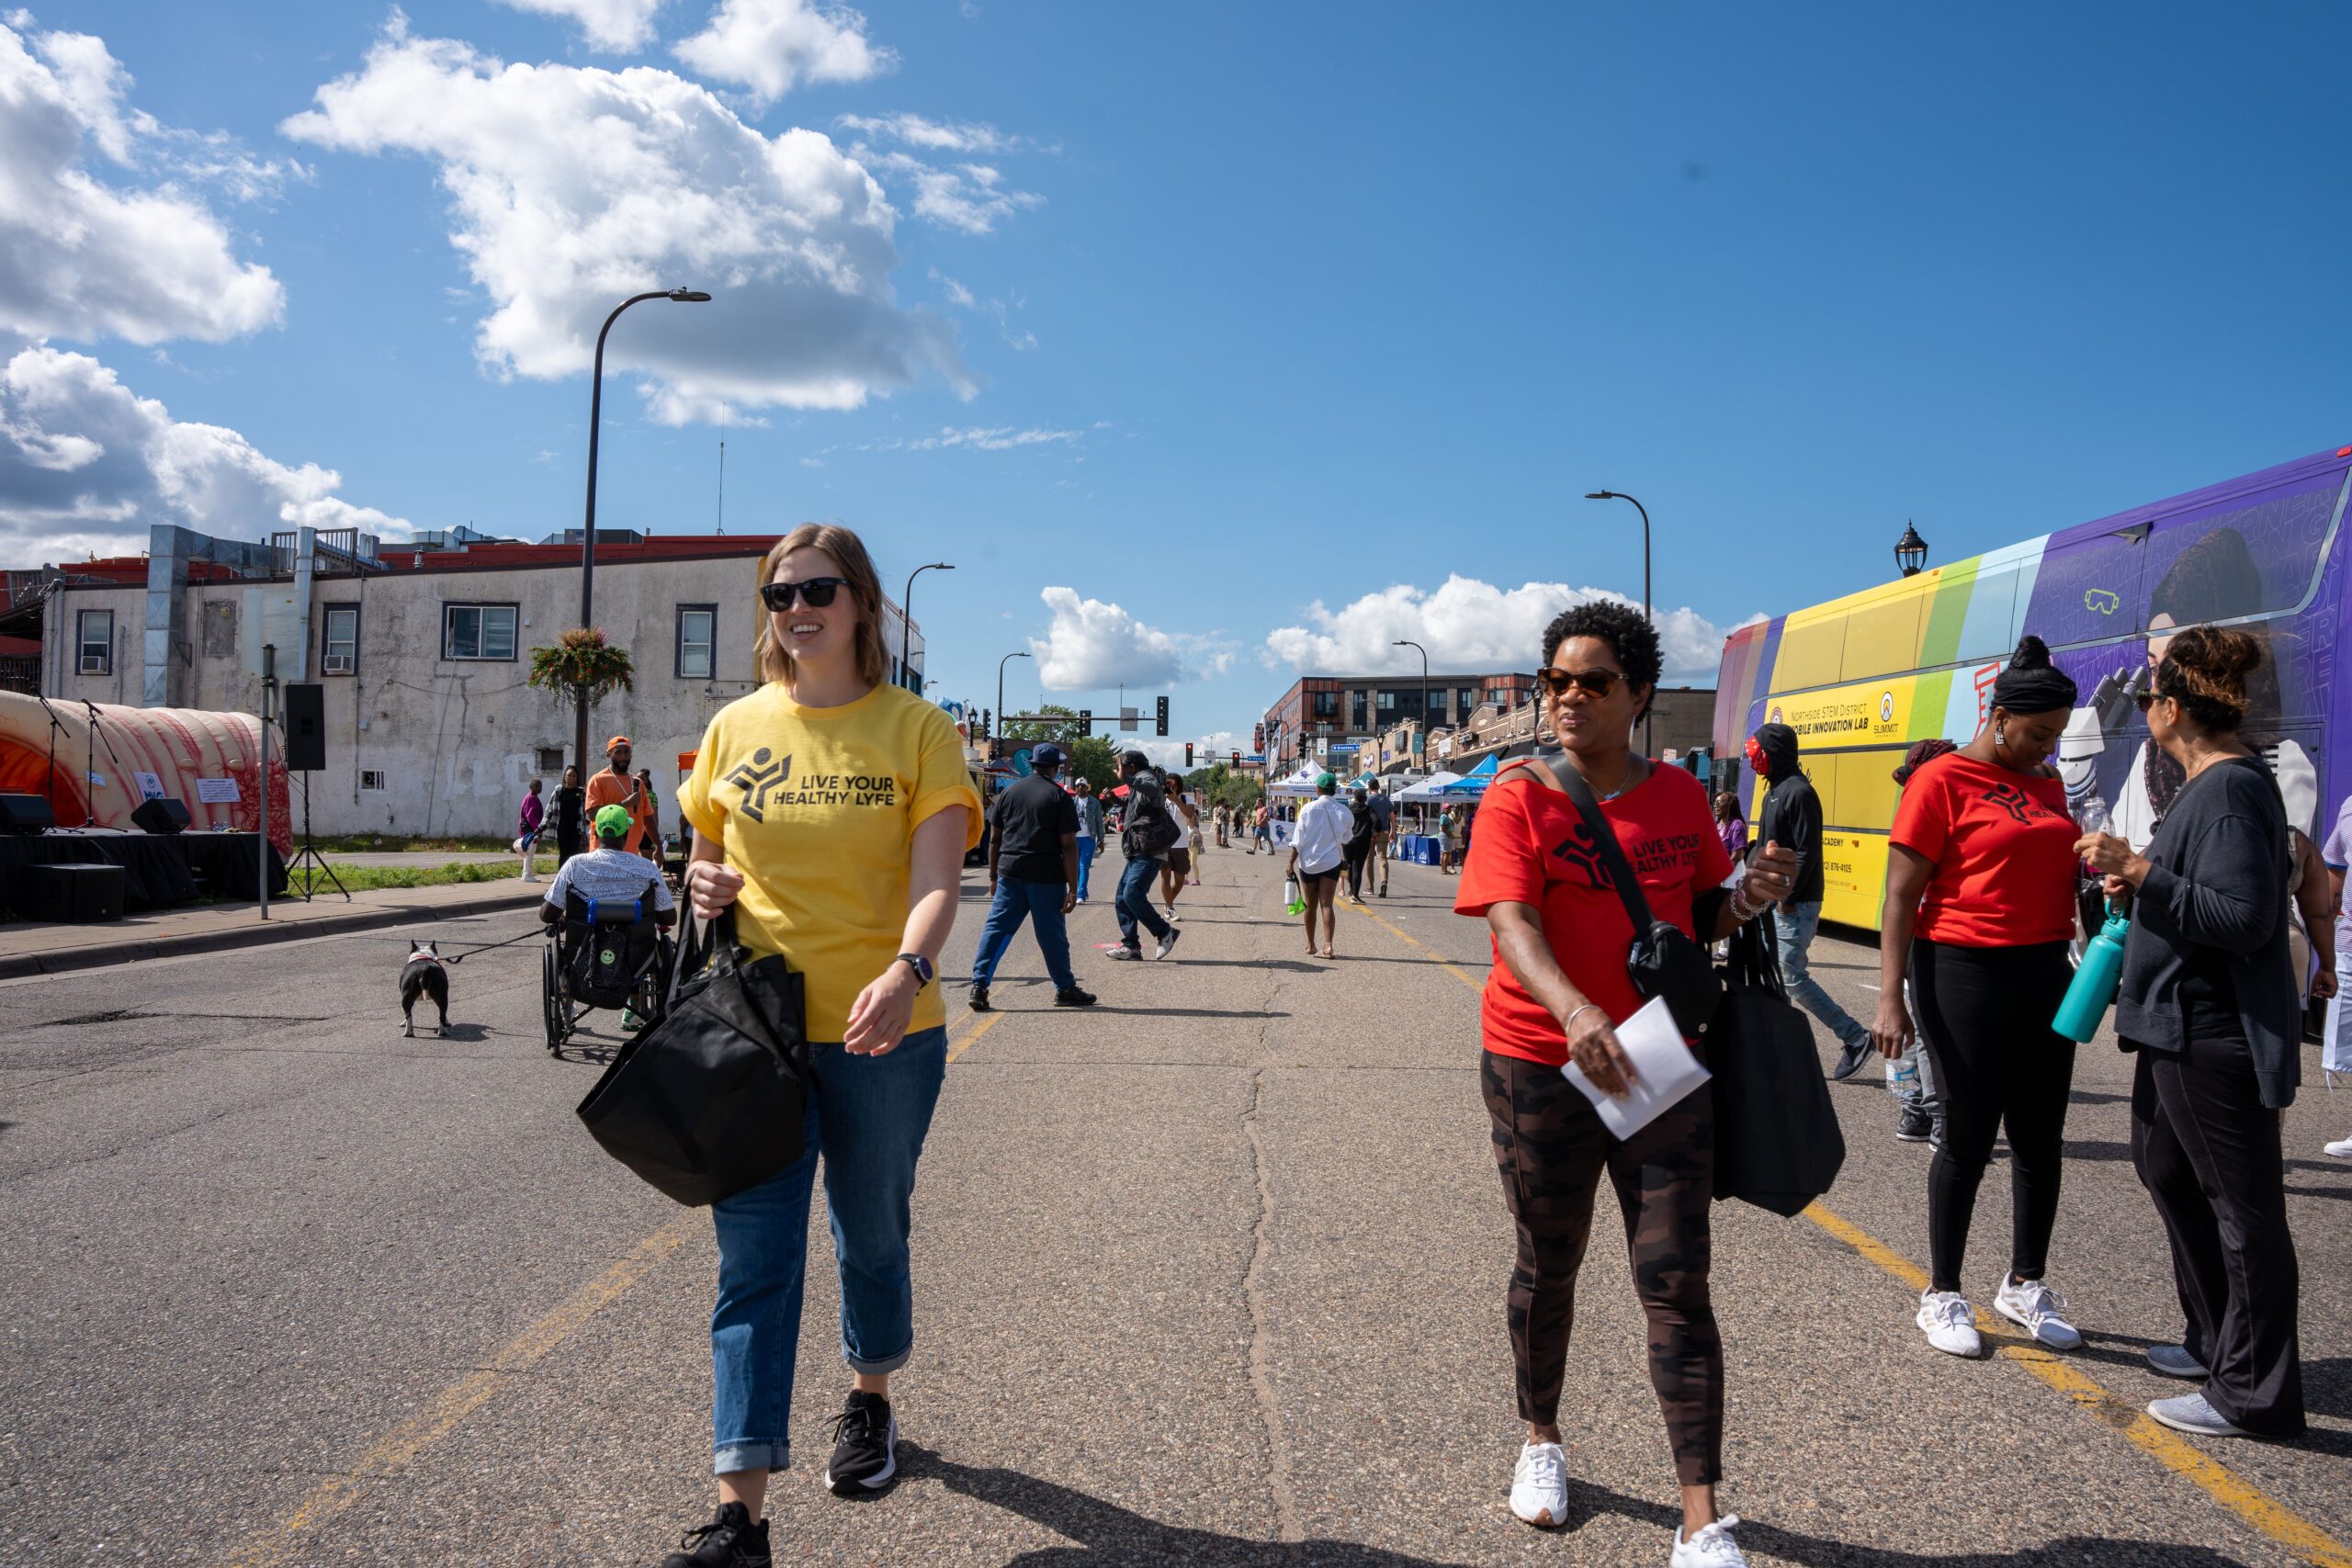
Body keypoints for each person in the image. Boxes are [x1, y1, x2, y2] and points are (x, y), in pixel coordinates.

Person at [662, 522, 979, 1568]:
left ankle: (870, 1395)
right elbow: (704, 873)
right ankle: (739, 1517)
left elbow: (939, 882)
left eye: (818, 591)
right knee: (753, 1264)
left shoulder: (917, 732)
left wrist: (908, 972)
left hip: (884, 1031)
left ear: (862, 605)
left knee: (868, 1233)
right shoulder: (732, 728)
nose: (797, 609)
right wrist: (699, 886)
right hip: (755, 1035)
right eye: (778, 594)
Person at [1455, 601, 1797, 1567]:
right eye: (1555, 681)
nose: (1568, 697)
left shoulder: (1682, 800)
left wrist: (1747, 898)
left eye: (1591, 682)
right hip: (1538, 1056)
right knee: (1546, 1260)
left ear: (1638, 694)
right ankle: (1541, 1440)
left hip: (1652, 1058)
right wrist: (1572, 1012)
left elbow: (1698, 915)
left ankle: (1701, 1514)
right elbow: (1510, 922)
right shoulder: (1519, 794)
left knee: (1676, 1277)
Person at [2079, 626, 2307, 1439]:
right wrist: (2143, 874)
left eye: (2149, 699)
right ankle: (2216, 1343)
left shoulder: (2231, 789)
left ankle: (2255, 1393)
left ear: (2172, 709)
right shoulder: (2212, 787)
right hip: (2180, 1024)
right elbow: (2203, 890)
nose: (2143, 711)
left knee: (2243, 1210)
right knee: (2165, 1166)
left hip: (2212, 1032)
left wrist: (2142, 872)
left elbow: (2245, 919)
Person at [1870, 637, 2086, 1360]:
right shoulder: (1941, 780)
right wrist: (1890, 999)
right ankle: (1942, 1291)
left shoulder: (2048, 784)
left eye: (2056, 736)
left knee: (2039, 1134)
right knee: (1967, 1134)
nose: (2046, 748)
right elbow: (1900, 897)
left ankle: (2026, 1280)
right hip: (1961, 967)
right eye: (2038, 733)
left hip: (2045, 969)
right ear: (1999, 716)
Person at [1748, 722, 1875, 1080]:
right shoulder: (1773, 791)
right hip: (1773, 901)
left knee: (1790, 976)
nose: (1754, 761)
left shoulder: (1799, 792)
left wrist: (1788, 895)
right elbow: (1762, 845)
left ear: (1772, 753)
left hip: (1795, 903)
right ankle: (1779, 1052)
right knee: (1775, 976)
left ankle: (1856, 1037)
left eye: (1758, 753)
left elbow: (1807, 851)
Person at [967, 744, 1096, 1013]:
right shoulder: (1059, 797)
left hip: (1010, 873)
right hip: (1046, 876)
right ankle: (1064, 988)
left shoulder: (1009, 793)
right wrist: (1074, 889)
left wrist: (993, 876)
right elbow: (1068, 845)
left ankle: (979, 986)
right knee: (1052, 936)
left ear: (1033, 764)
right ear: (1055, 768)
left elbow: (994, 839)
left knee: (997, 929)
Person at [1884, 739, 1959, 1145]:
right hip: (1931, 937)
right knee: (1931, 1035)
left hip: (1917, 936)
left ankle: (1913, 1110)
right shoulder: (1939, 807)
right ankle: (1936, 1115)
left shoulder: (1914, 807)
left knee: (1914, 1028)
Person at [1110, 750, 1181, 962]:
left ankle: (1164, 931)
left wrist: (1127, 779)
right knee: (1122, 898)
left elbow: (1153, 789)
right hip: (1138, 847)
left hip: (1150, 848)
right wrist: (1116, 799)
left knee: (1132, 893)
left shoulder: (1146, 777)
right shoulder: (1138, 781)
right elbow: (1137, 809)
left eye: (1122, 766)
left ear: (1131, 767)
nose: (1120, 770)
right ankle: (1131, 946)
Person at [1286, 773, 1352, 959]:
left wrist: (1290, 862)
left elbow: (1298, 840)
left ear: (1318, 789)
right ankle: (1328, 946)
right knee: (1327, 904)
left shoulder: (1308, 809)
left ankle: (1310, 945)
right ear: (1335, 790)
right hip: (1331, 862)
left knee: (1310, 905)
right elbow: (1347, 838)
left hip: (1308, 863)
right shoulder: (1344, 812)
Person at [586, 736, 652, 857]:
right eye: (618, 752)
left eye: (626, 752)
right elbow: (592, 814)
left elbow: (648, 817)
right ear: (609, 754)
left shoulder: (638, 782)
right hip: (602, 853)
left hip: (630, 854)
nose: (623, 756)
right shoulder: (598, 780)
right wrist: (625, 803)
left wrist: (657, 844)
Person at [1340, 783, 1377, 903]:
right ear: (1365, 798)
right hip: (1362, 842)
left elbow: (1341, 823)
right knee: (1358, 868)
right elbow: (1378, 823)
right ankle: (1355, 894)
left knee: (1350, 867)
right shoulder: (1368, 810)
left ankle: (1352, 890)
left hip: (1348, 842)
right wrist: (1372, 832)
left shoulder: (1349, 809)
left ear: (1355, 798)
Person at [1070, 775, 1102, 903]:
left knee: (1084, 866)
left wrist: (1101, 840)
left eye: (1083, 786)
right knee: (1076, 868)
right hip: (1074, 839)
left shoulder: (1094, 802)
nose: (1080, 788)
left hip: (1089, 838)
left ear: (1087, 788)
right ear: (1075, 788)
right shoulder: (1072, 802)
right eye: (1078, 786)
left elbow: (1099, 822)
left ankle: (1080, 895)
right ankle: (1083, 890)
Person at [1365, 780, 1395, 897]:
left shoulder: (1369, 799)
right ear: (1378, 787)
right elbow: (1392, 816)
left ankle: (1370, 887)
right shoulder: (1385, 799)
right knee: (1383, 858)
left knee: (1370, 859)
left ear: (1369, 787)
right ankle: (1384, 883)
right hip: (1384, 831)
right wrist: (1393, 831)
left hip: (1371, 833)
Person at [552, 764, 584, 865]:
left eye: (574, 776)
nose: (571, 778)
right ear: (564, 777)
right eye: (569, 775)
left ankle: (571, 879)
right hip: (562, 827)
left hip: (576, 828)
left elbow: (584, 809)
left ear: (576, 778)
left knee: (573, 854)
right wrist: (540, 828)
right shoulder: (559, 791)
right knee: (564, 853)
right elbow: (550, 810)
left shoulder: (580, 792)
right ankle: (562, 878)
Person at [517, 777, 545, 883]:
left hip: (528, 829)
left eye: (540, 786)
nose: (539, 788)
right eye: (537, 786)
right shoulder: (531, 798)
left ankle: (526, 874)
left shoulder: (532, 797)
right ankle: (527, 875)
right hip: (530, 830)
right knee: (529, 852)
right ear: (531, 787)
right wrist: (537, 830)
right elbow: (531, 817)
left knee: (528, 851)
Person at [1712, 791, 1746, 867]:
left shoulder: (1737, 825)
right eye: (1715, 803)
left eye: (1719, 802)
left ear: (1729, 806)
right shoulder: (1716, 824)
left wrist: (1723, 873)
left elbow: (1737, 856)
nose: (1715, 806)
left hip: (1731, 872)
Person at [637, 767, 663, 862]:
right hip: (634, 830)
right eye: (637, 778)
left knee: (646, 860)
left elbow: (654, 814)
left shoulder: (651, 795)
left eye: (641, 779)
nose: (639, 781)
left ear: (647, 781)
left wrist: (654, 831)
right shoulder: (632, 794)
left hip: (646, 831)